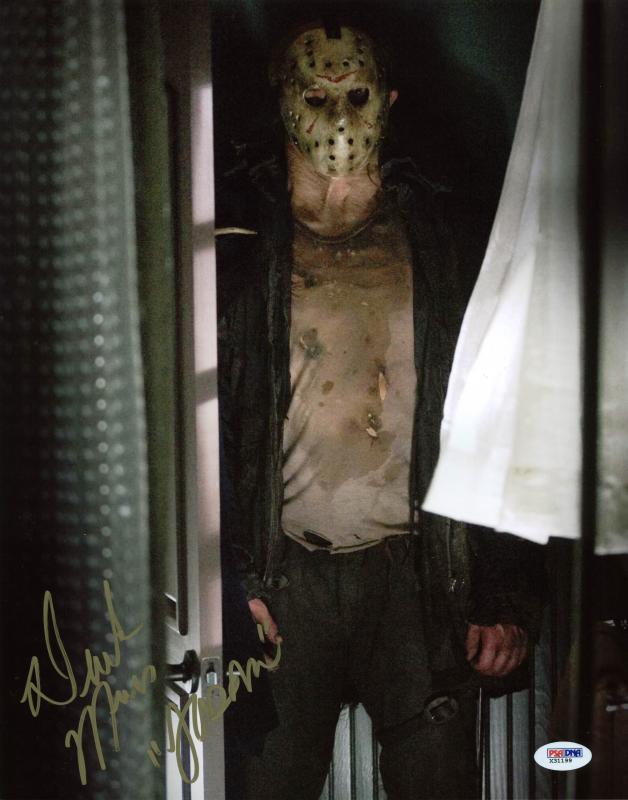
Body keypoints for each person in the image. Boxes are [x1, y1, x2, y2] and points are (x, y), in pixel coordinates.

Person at [218, 18, 545, 800]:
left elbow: (504, 401)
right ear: (283, 98)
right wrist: (229, 585)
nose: (338, 117)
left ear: (389, 98)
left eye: (357, 95)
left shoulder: (442, 233)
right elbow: (195, 421)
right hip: (283, 573)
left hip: (419, 572)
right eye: (315, 96)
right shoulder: (236, 236)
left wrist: (502, 592)